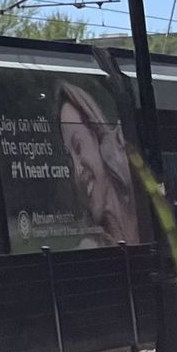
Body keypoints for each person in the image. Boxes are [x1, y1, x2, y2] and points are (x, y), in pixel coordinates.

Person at [56, 82, 141, 247]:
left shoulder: (149, 215)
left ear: (99, 137)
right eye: (69, 158)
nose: (77, 170)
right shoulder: (89, 249)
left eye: (78, 147)